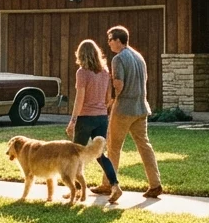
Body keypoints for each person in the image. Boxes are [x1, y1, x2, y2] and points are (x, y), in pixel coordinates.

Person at [97, 25, 163, 198]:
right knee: (144, 145)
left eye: (110, 40)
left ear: (118, 40)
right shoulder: (139, 57)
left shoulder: (118, 59)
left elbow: (119, 84)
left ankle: (108, 183)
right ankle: (155, 184)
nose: (108, 43)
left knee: (113, 147)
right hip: (141, 107)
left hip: (124, 109)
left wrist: (111, 101)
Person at [65, 39, 122, 204]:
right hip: (102, 118)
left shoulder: (82, 73)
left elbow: (79, 99)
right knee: (100, 154)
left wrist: (73, 120)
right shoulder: (104, 72)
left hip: (85, 118)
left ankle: (74, 191)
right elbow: (108, 98)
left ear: (81, 55)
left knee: (75, 154)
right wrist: (101, 110)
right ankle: (115, 185)